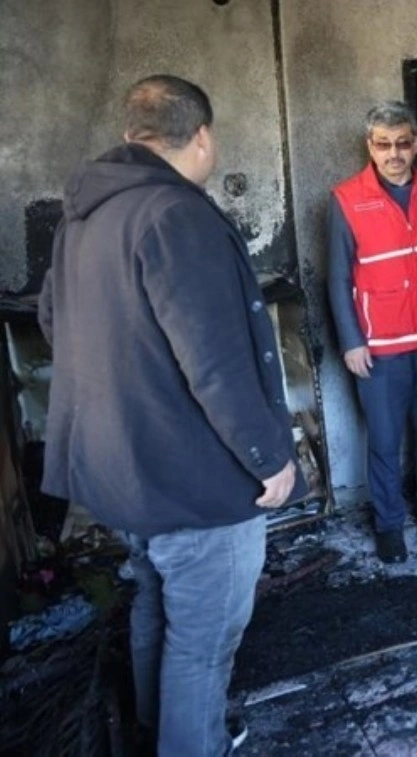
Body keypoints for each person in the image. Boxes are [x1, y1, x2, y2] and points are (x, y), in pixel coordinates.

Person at [39, 74, 305, 755]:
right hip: (194, 479)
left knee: (156, 603)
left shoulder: (82, 219)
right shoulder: (175, 215)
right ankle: (193, 741)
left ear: (132, 135)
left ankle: (164, 729)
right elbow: (215, 362)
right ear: (203, 136)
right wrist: (269, 457)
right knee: (204, 642)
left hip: (122, 471)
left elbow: (52, 321)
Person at [328, 101, 417, 564]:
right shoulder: (347, 198)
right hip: (380, 347)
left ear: (416, 144)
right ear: (370, 146)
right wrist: (351, 340)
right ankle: (389, 524)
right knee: (386, 441)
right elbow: (337, 277)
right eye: (384, 144)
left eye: (403, 143)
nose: (394, 154)